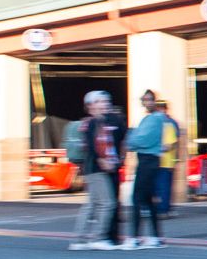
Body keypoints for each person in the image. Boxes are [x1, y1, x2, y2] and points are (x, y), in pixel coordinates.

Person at [70, 90, 125, 250]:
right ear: (92, 105)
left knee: (92, 204)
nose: (105, 103)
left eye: (106, 101)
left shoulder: (100, 122)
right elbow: (92, 147)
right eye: (101, 101)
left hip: (96, 168)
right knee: (108, 203)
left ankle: (79, 240)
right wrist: (103, 161)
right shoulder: (93, 123)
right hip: (96, 169)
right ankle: (99, 238)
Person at [124, 90, 166, 248]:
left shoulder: (153, 119)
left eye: (149, 100)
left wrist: (130, 138)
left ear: (155, 101)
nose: (146, 102)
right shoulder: (153, 118)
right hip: (150, 160)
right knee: (149, 200)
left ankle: (134, 238)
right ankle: (155, 237)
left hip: (147, 160)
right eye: (144, 100)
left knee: (137, 198)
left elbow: (140, 140)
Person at [154, 98, 181, 219]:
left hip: (166, 161)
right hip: (159, 161)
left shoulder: (170, 123)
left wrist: (176, 160)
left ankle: (164, 209)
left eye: (161, 108)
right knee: (161, 187)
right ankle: (165, 208)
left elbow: (173, 144)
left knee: (163, 187)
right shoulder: (159, 122)